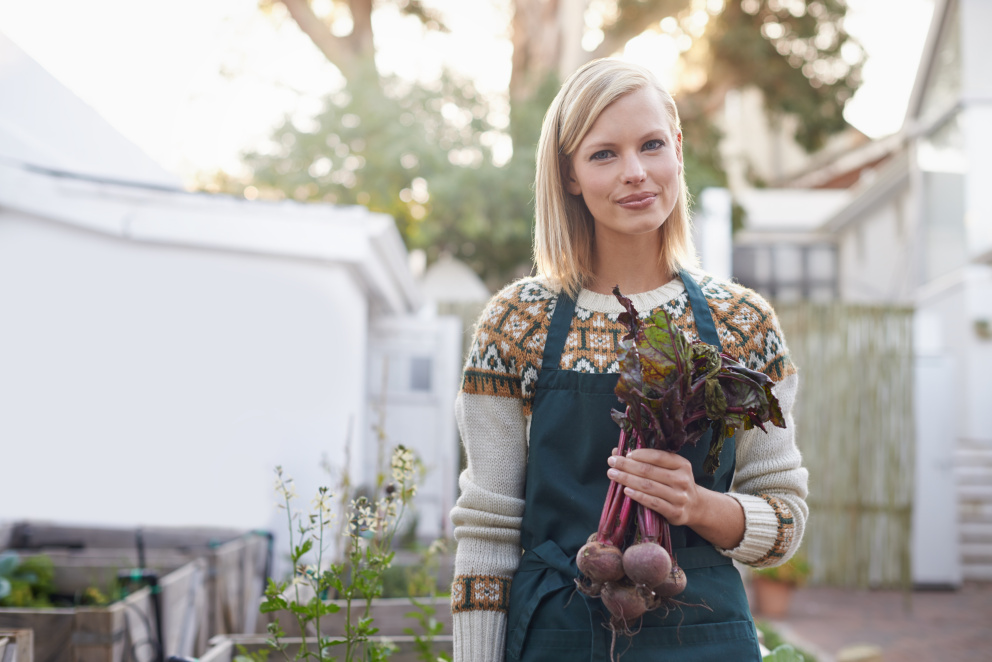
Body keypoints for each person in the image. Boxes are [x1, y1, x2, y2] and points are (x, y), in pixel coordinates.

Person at [449, 58, 808, 662]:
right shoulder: (517, 323)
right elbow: (487, 532)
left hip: (704, 632)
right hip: (555, 633)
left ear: (677, 151)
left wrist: (699, 506)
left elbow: (786, 520)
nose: (636, 173)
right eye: (603, 154)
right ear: (568, 176)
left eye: (651, 145)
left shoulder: (741, 323)